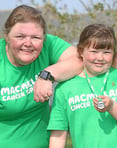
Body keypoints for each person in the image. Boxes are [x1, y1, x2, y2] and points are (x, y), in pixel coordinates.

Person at [47, 24, 117, 148]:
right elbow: (58, 135)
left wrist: (112, 107)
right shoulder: (64, 88)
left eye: (106, 52)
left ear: (114, 53)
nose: (100, 58)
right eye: (94, 51)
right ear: (81, 51)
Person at [0, 5, 82, 148]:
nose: (28, 43)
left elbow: (80, 60)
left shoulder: (48, 45)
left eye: (36, 37)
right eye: (20, 36)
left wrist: (47, 75)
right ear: (7, 36)